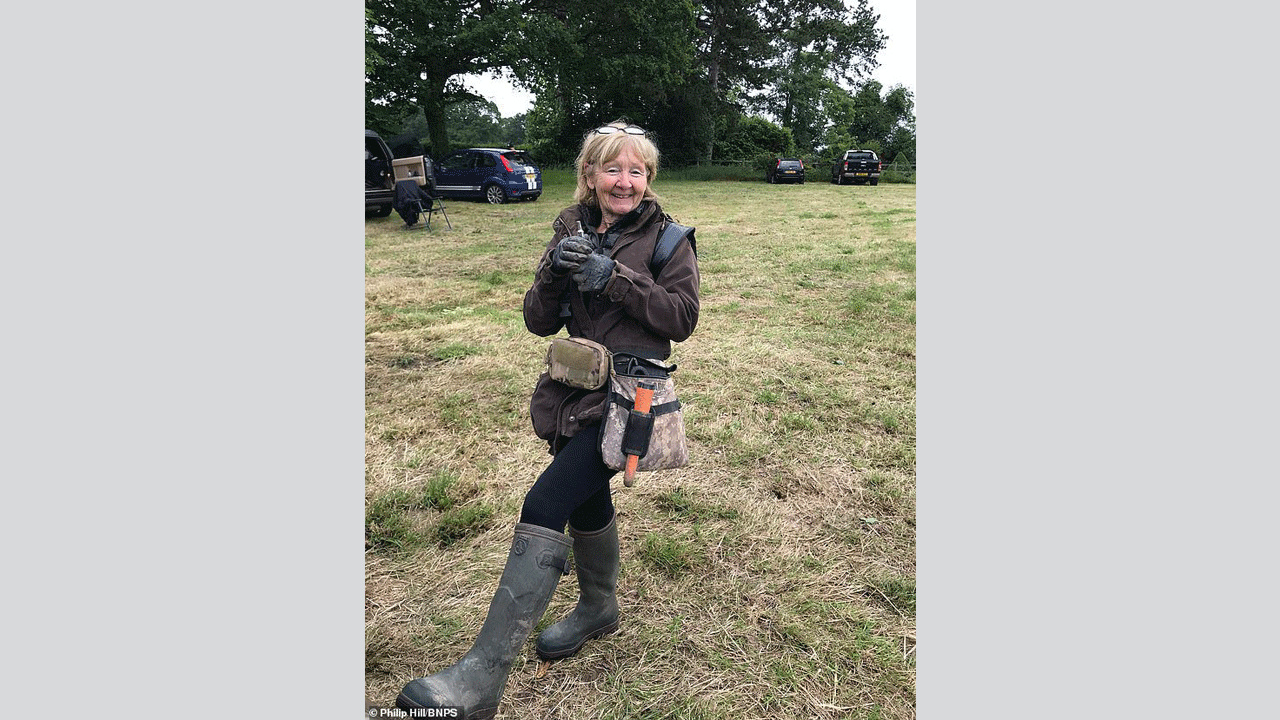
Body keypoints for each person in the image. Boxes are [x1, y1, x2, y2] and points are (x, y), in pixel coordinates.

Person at [396, 121, 700, 717]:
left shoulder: (669, 240)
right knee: (586, 496)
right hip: (571, 392)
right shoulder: (570, 228)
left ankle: (480, 681)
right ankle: (598, 608)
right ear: (589, 174)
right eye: (612, 169)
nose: (625, 181)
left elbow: (681, 318)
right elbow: (538, 320)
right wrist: (557, 271)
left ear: (648, 178)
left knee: (546, 502)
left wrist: (615, 279)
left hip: (626, 399)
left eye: (636, 171)